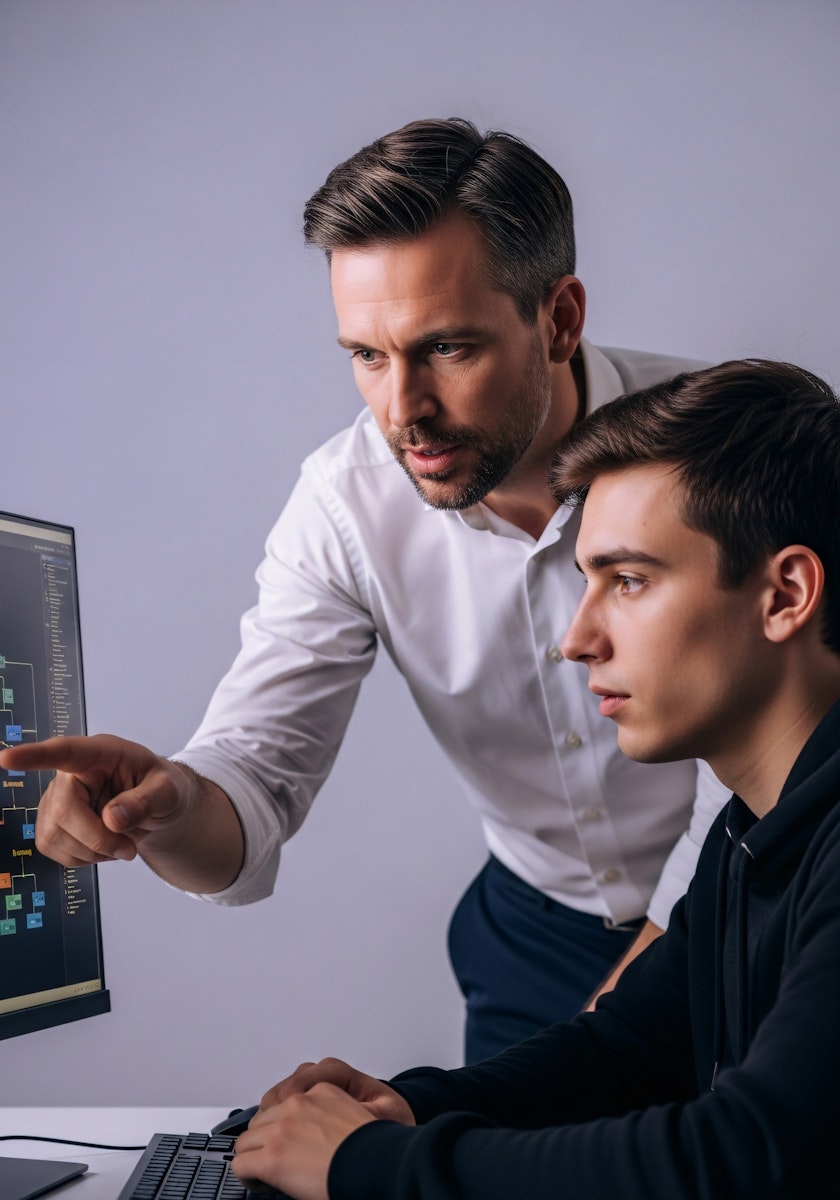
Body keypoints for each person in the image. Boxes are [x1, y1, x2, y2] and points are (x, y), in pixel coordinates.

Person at [0, 118, 727, 1060]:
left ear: (559, 318)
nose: (402, 412)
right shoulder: (343, 504)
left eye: (447, 349)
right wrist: (173, 802)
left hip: (747, 895)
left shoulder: (724, 447)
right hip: (530, 931)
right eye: (368, 356)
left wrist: (632, 1005)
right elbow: (255, 776)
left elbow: (782, 752)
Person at [226, 358, 840, 1200]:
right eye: (585, 580)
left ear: (786, 594)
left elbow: (742, 1154)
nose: (576, 637)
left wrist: (366, 1167)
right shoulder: (752, 829)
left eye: (628, 581)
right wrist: (404, 1106)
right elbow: (624, 1051)